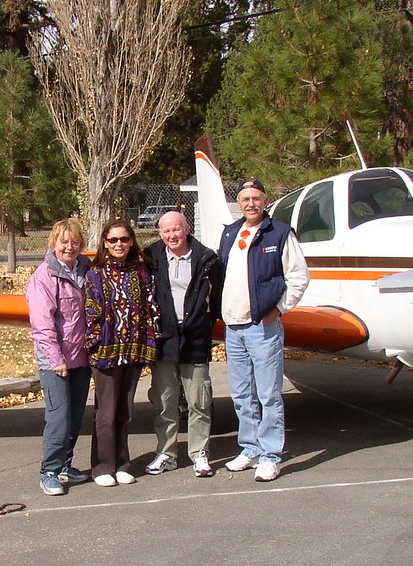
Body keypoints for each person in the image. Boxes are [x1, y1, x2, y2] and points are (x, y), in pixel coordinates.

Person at [217, 178, 309, 482]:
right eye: (245, 199)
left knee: (268, 395)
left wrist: (277, 310)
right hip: (234, 327)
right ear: (239, 203)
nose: (250, 204)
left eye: (256, 198)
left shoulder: (280, 233)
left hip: (262, 327)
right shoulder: (231, 233)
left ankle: (271, 455)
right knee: (242, 395)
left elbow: (298, 278)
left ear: (265, 201)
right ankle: (250, 447)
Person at [143, 211, 222, 477]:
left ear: (187, 228)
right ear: (160, 233)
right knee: (165, 402)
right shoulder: (150, 257)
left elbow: (217, 300)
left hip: (195, 340)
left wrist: (202, 322)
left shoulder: (206, 259)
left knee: (199, 401)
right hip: (163, 340)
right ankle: (166, 453)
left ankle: (199, 453)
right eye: (166, 231)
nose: (171, 236)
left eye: (176, 229)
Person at [85, 219, 159, 487]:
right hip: (106, 353)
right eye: (113, 240)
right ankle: (103, 466)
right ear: (105, 242)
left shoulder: (140, 272)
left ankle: (122, 464)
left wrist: (151, 342)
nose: (119, 244)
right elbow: (90, 311)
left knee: (125, 411)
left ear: (132, 241)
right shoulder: (95, 273)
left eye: (124, 239)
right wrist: (94, 343)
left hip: (134, 350)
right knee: (105, 413)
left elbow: (151, 308)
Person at [25, 218, 93, 496]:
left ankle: (65, 465)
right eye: (64, 241)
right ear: (53, 243)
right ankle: (49, 471)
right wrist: (56, 360)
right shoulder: (44, 276)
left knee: (76, 416)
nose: (69, 246)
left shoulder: (86, 270)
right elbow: (42, 324)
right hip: (56, 362)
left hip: (82, 358)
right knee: (59, 417)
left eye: (75, 241)